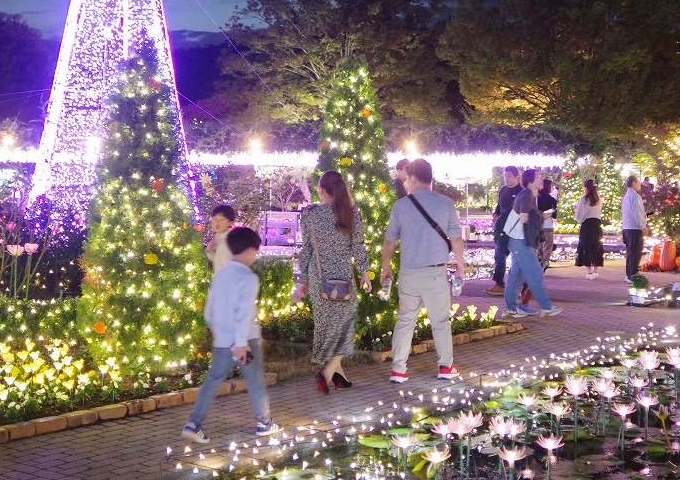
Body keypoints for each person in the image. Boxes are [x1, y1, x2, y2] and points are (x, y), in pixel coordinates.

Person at [182, 226, 280, 443]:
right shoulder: (248, 278)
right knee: (255, 381)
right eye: (256, 251)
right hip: (245, 341)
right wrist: (241, 343)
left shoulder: (220, 276)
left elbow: (209, 309)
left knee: (213, 380)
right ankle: (264, 422)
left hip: (222, 340)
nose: (255, 256)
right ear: (248, 250)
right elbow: (244, 312)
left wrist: (214, 327)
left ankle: (194, 423)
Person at [381, 158, 467, 383]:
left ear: (414, 178)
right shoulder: (446, 203)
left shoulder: (400, 206)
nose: (406, 183)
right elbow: (456, 238)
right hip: (435, 273)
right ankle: (445, 367)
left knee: (405, 321)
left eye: (407, 179)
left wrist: (385, 267)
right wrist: (460, 266)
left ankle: (398, 370)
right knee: (440, 322)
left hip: (409, 273)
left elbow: (389, 241)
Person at [296, 171, 370, 393]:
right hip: (344, 280)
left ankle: (337, 375)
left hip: (320, 281)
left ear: (320, 190)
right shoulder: (351, 213)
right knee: (345, 328)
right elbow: (359, 246)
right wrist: (365, 272)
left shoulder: (310, 215)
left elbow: (306, 249)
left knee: (327, 328)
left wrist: (303, 280)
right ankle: (328, 373)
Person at [502, 168, 562, 318]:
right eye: (538, 177)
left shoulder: (531, 194)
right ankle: (546, 307)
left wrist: (541, 216)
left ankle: (510, 307)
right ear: (529, 180)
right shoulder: (527, 195)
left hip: (518, 239)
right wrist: (542, 216)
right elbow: (524, 218)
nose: (541, 179)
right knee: (535, 272)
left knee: (517, 274)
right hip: (519, 240)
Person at [486, 166, 523, 296]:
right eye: (504, 175)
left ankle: (520, 287)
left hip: (514, 229)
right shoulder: (503, 190)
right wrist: (496, 214)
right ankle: (499, 283)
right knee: (499, 255)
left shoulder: (521, 192)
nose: (505, 178)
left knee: (517, 257)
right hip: (501, 229)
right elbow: (499, 205)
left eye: (508, 175)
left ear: (516, 176)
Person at [574, 178, 604, 278]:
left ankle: (589, 272)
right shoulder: (599, 199)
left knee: (586, 247)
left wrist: (576, 210)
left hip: (587, 224)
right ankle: (596, 270)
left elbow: (580, 216)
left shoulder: (583, 199)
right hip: (596, 224)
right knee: (596, 246)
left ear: (586, 188)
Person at [621, 175, 647, 283]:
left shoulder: (626, 197)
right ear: (633, 183)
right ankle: (633, 275)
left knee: (630, 252)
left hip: (626, 228)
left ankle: (628, 274)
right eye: (638, 182)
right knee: (635, 253)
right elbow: (637, 212)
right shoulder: (635, 196)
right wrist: (643, 226)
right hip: (634, 229)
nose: (640, 184)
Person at [205, 204, 237, 271]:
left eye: (221, 219)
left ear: (230, 222)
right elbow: (217, 259)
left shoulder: (227, 241)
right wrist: (209, 251)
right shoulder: (218, 237)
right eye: (215, 219)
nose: (217, 222)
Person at [536, 178, 558, 268]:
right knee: (547, 248)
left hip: (538, 225)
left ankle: (538, 264)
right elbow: (554, 215)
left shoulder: (536, 197)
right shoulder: (552, 200)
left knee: (539, 247)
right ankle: (544, 265)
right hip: (548, 225)